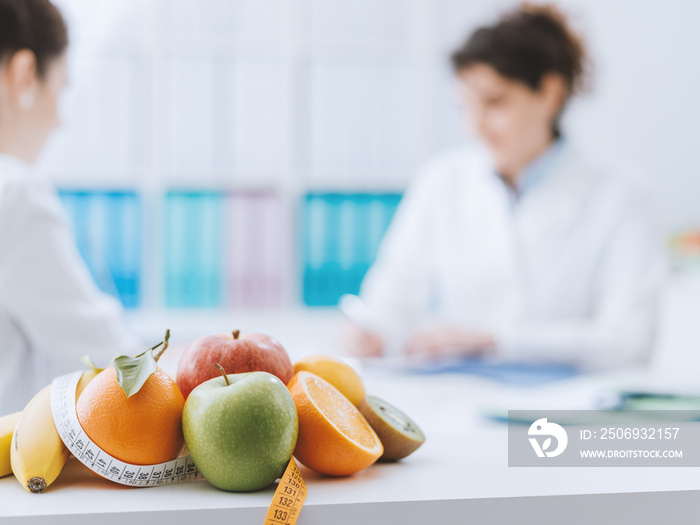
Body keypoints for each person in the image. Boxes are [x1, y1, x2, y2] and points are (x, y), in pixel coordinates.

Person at [343, 4, 666, 371]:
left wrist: (496, 339)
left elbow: (630, 342)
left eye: (494, 103)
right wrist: (373, 333)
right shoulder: (442, 181)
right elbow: (391, 301)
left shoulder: (621, 197)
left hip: (565, 414)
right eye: (464, 106)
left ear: (550, 92)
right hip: (454, 400)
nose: (475, 125)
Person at [0, 0, 138, 413]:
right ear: (25, 74)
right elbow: (116, 375)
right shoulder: (15, 192)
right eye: (60, 89)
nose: (59, 119)